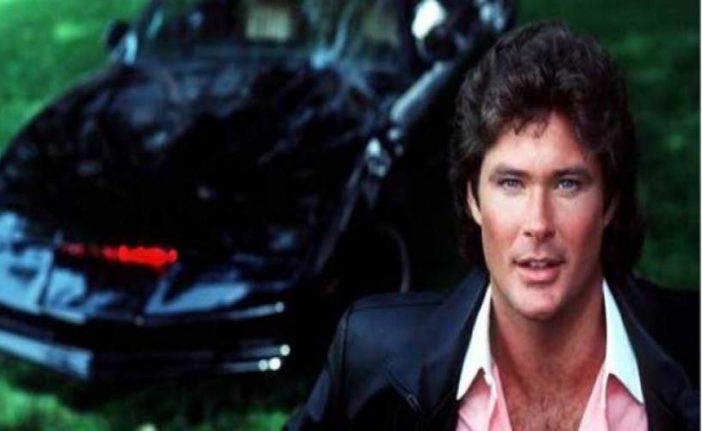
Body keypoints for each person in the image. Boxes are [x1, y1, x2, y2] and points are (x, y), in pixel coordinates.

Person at [285, 21, 699, 431]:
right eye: (511, 183)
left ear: (609, 202)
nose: (538, 223)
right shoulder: (370, 358)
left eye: (567, 184)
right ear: (473, 198)